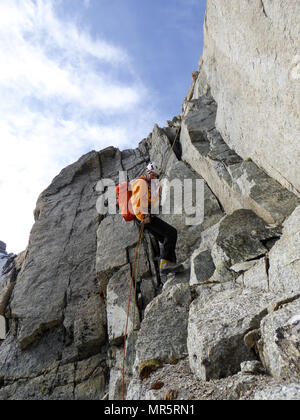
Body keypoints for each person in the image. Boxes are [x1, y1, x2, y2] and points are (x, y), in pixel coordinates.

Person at [130, 162, 182, 274]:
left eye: (156, 176)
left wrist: (157, 193)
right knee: (171, 232)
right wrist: (144, 216)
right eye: (152, 174)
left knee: (165, 239)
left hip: (144, 218)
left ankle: (172, 264)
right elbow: (137, 202)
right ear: (148, 172)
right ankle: (165, 264)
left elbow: (151, 203)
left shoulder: (148, 185)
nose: (154, 177)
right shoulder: (141, 182)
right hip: (144, 217)